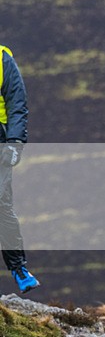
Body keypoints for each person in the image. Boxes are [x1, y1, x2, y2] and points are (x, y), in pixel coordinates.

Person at [0, 45, 40, 294]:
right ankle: (19, 268)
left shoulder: (2, 60)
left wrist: (15, 142)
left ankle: (18, 268)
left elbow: (17, 103)